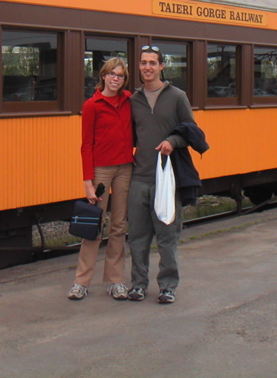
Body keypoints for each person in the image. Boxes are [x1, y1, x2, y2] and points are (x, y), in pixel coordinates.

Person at [127, 45, 195, 304]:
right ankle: (138, 284)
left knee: (167, 237)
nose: (147, 67)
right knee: (137, 237)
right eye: (143, 63)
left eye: (152, 63)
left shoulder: (177, 96)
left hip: (167, 178)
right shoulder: (133, 100)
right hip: (139, 177)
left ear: (162, 66)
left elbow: (191, 131)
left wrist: (172, 141)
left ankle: (167, 286)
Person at [68, 57, 134, 300]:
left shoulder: (129, 101)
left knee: (118, 227)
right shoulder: (92, 105)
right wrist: (88, 181)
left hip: (126, 168)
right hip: (101, 171)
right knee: (93, 227)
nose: (116, 79)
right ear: (103, 76)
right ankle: (81, 282)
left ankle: (116, 281)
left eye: (120, 75)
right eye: (112, 74)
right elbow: (86, 145)